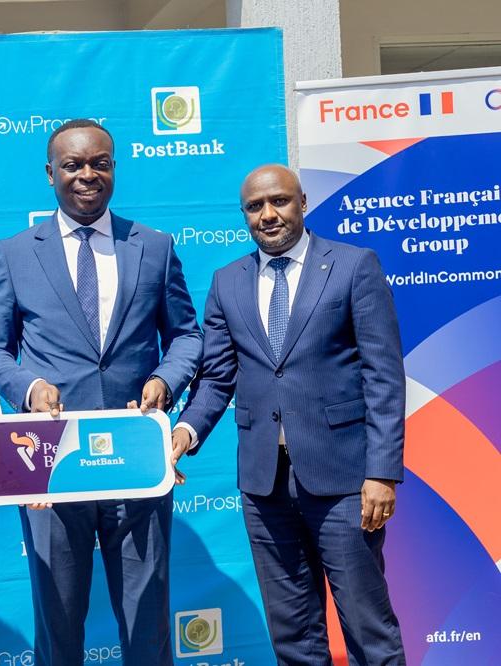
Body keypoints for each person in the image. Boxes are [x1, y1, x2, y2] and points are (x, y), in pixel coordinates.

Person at [0, 119, 203, 666]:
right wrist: (28, 389)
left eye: (99, 163)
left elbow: (187, 336)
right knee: (59, 624)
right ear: (50, 173)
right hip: (52, 463)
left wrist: (164, 381)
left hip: (136, 459)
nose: (86, 175)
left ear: (114, 169)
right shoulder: (14, 253)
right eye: (73, 165)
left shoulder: (154, 246)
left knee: (147, 624)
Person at [174, 164, 406, 665]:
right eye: (255, 207)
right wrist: (185, 432)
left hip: (345, 483)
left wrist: (382, 473)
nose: (268, 214)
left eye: (279, 201)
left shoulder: (352, 266)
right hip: (265, 487)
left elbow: (384, 376)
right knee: (293, 636)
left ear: (301, 201)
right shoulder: (226, 282)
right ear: (244, 215)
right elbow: (216, 379)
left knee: (368, 628)